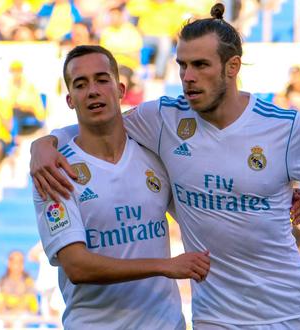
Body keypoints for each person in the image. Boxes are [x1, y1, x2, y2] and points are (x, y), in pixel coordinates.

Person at [31, 4, 300, 329]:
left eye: (200, 65)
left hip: (289, 311)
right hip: (216, 318)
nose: (188, 77)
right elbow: (98, 123)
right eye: (182, 65)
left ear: (232, 67)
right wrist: (43, 145)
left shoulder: (285, 128)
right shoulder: (163, 120)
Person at [32, 45, 212, 329]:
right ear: (70, 99)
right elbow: (77, 266)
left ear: (120, 89)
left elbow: (204, 208)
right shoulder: (54, 169)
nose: (93, 91)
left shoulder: (154, 153)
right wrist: (165, 266)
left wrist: (277, 191)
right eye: (81, 84)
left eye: (102, 80)